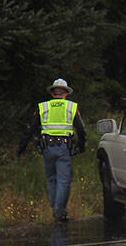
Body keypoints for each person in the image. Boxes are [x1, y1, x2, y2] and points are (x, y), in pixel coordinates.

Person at [17, 78, 87, 223]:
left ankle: (55, 208)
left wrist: (22, 147)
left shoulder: (43, 107)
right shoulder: (71, 107)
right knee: (64, 180)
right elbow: (81, 129)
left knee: (51, 179)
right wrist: (81, 146)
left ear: (53, 93)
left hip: (47, 147)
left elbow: (31, 129)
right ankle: (59, 211)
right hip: (64, 147)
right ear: (66, 93)